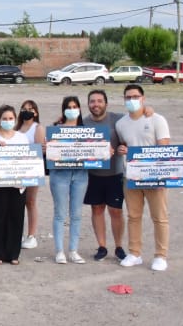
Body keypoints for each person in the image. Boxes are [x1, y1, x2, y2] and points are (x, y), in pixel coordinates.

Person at [116, 84, 171, 271]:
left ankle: (161, 255)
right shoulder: (121, 124)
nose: (132, 100)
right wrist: (122, 150)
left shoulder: (157, 120)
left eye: (135, 96)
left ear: (143, 98)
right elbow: (124, 145)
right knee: (133, 216)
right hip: (131, 176)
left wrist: (160, 176)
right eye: (128, 97)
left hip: (154, 175)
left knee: (159, 217)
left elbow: (164, 147)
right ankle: (134, 253)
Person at [84, 89, 127, 262]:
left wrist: (121, 149)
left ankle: (118, 246)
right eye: (92, 101)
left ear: (106, 103)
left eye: (99, 101)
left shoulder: (118, 119)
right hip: (93, 174)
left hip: (115, 173)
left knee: (116, 211)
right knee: (97, 209)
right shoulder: (84, 123)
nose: (96, 104)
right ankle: (102, 246)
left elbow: (130, 133)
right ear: (88, 104)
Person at [0, 105, 29, 265]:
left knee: (16, 217)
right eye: (5, 118)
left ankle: (13, 253)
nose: (8, 121)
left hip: (18, 184)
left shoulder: (22, 137)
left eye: (11, 118)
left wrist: (24, 178)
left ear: (15, 119)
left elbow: (28, 159)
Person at [49, 95, 89, 265]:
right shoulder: (55, 129)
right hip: (60, 174)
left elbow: (97, 149)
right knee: (60, 213)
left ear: (79, 109)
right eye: (69, 107)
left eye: (75, 106)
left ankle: (73, 250)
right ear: (64, 110)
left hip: (80, 174)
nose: (72, 109)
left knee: (77, 214)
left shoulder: (87, 130)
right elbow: (49, 150)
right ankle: (59, 251)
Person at [16, 99, 47, 249]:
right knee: (17, 202)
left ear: (36, 112)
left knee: (30, 201)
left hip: (32, 169)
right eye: (24, 108)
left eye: (30, 108)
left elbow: (39, 150)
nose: (27, 111)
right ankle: (18, 233)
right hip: (16, 170)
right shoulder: (17, 128)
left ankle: (31, 235)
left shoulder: (37, 128)